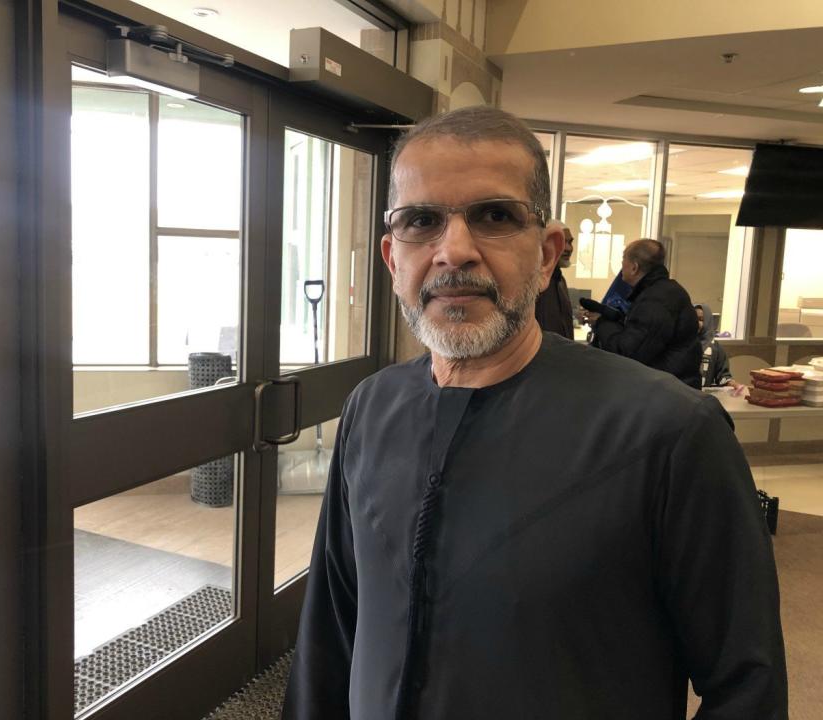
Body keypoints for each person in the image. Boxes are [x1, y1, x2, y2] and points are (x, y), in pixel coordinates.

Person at [282, 106, 786, 720]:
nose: (454, 251)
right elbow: (332, 629)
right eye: (422, 221)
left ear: (547, 255)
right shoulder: (372, 406)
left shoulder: (669, 433)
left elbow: (747, 685)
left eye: (495, 216)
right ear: (393, 259)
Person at [584, 239, 703, 389]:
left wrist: (601, 323)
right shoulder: (664, 292)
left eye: (623, 260)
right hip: (674, 389)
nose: (621, 267)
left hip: (666, 395)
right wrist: (612, 316)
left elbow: (629, 353)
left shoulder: (655, 300)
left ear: (634, 267)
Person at [534, 220, 574, 338]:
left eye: (570, 242)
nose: (568, 248)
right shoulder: (533, 282)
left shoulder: (561, 281)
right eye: (562, 242)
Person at [696, 303, 744, 392]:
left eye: (701, 319)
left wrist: (733, 384)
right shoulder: (682, 344)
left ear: (708, 321)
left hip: (703, 396)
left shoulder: (716, 348)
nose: (697, 323)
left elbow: (722, 374)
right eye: (693, 319)